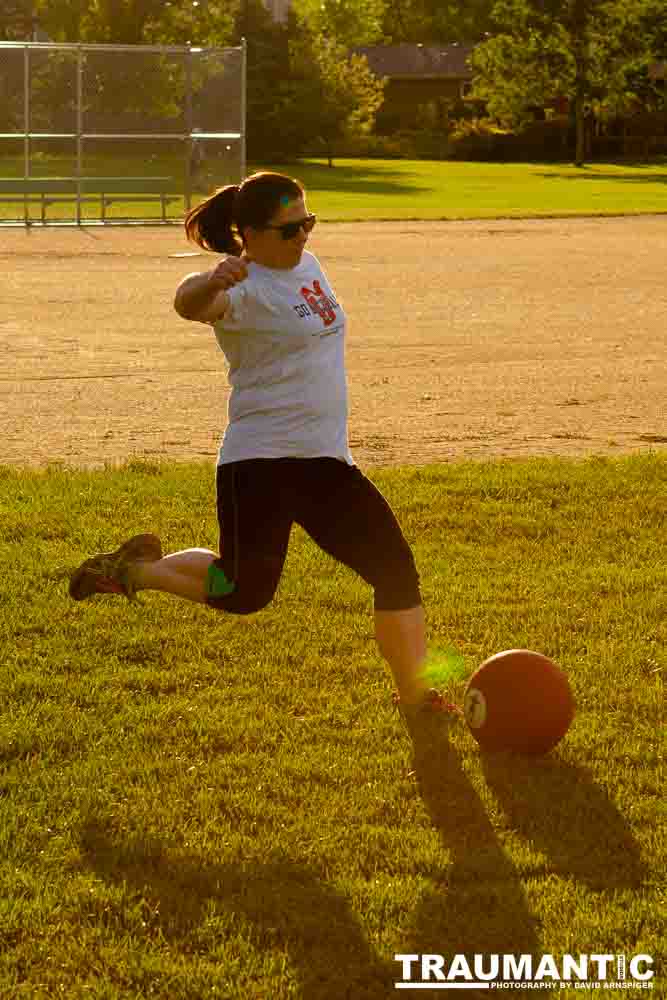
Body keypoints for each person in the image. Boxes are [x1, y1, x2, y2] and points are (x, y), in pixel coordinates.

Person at [68, 171, 447, 722]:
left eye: (307, 224)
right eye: (289, 229)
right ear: (249, 234)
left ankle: (416, 697)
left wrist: (289, 246)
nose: (303, 237)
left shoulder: (307, 267)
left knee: (394, 569)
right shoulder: (239, 291)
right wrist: (212, 277)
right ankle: (138, 572)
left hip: (325, 462)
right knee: (243, 591)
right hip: (260, 464)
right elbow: (187, 303)